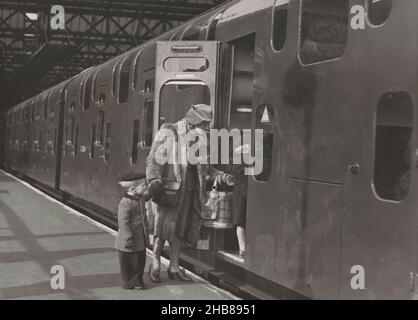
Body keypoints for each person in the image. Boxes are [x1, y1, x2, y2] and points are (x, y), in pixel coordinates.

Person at [146, 104, 212, 282]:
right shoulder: (169, 130)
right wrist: (154, 179)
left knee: (179, 232)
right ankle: (155, 263)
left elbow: (205, 165)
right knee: (161, 231)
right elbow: (154, 158)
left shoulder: (200, 138)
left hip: (190, 191)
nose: (207, 128)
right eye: (205, 124)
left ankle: (174, 267)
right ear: (193, 123)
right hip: (169, 191)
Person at [114, 172, 152, 290]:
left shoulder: (140, 198)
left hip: (139, 238)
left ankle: (138, 281)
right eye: (143, 185)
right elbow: (123, 223)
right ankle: (130, 282)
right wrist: (128, 237)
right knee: (129, 263)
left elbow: (148, 195)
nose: (145, 187)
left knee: (139, 261)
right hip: (128, 240)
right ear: (132, 188)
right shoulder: (125, 203)